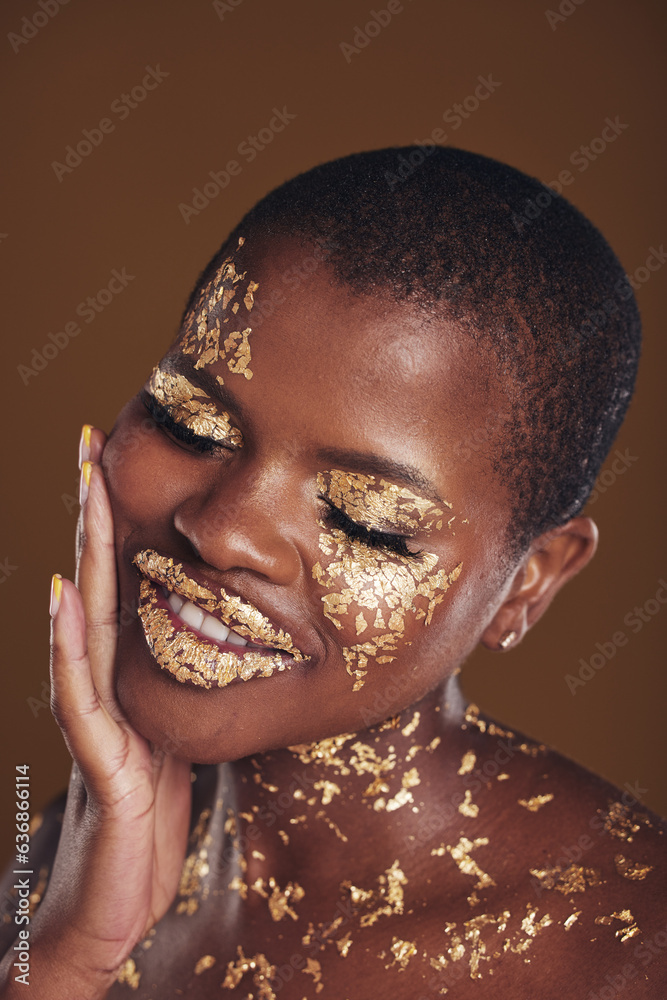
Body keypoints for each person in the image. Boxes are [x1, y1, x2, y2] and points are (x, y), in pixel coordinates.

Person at [0, 146, 664, 999]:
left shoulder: (618, 954)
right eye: (188, 422)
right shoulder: (75, 851)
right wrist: (63, 959)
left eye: (365, 519)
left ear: (530, 580)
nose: (223, 532)